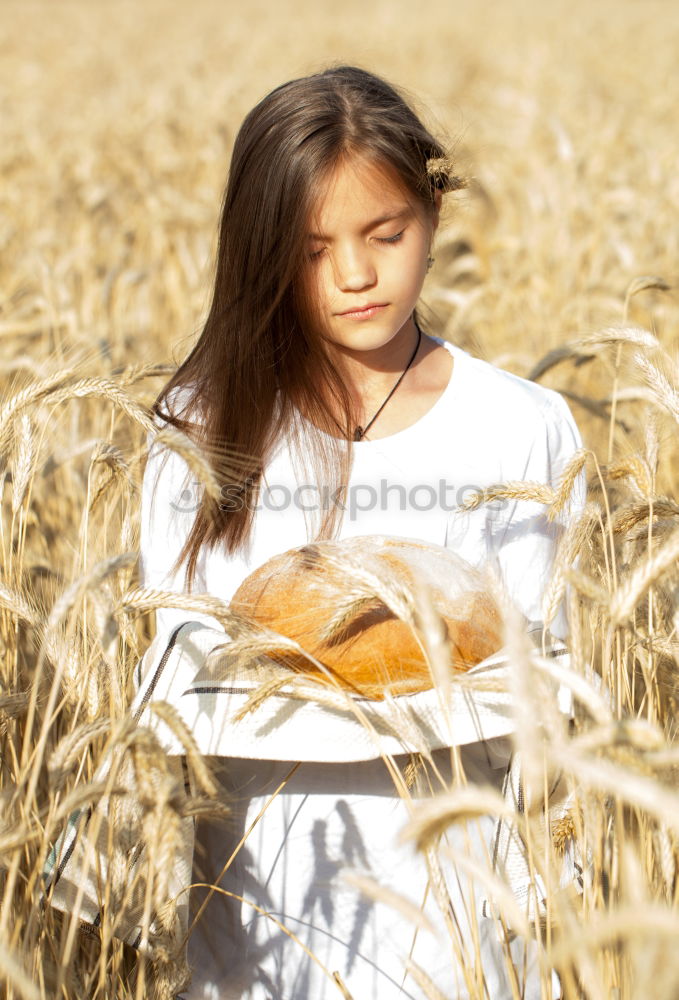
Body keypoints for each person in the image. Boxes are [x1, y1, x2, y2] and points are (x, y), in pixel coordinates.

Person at [138, 65, 586, 1000]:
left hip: (463, 927)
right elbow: (177, 669)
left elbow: (554, 678)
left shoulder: (522, 426)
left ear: (432, 212)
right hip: (259, 923)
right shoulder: (201, 424)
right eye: (311, 251)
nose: (355, 274)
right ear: (260, 254)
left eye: (386, 233)